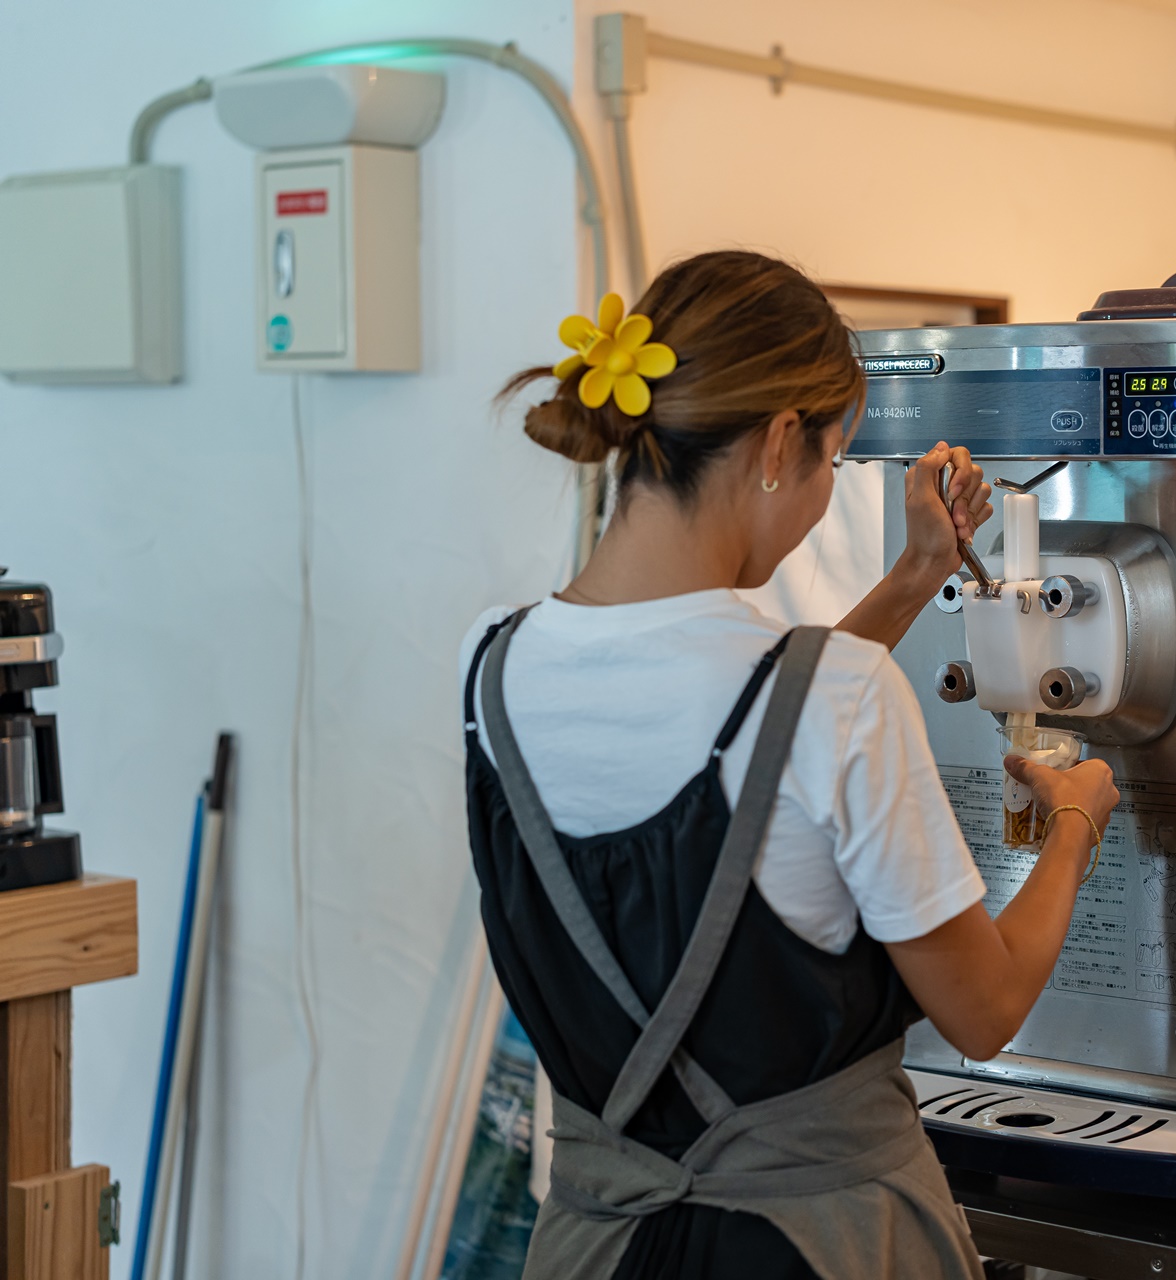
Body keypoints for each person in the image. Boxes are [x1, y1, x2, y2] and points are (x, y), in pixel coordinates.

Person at [460, 250, 1118, 1280]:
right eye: (832, 462)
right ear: (777, 444)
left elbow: (762, 723)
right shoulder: (840, 698)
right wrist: (1074, 824)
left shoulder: (491, 669)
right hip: (817, 1243)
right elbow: (984, 1010)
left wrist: (916, 576)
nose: (821, 498)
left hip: (594, 1245)